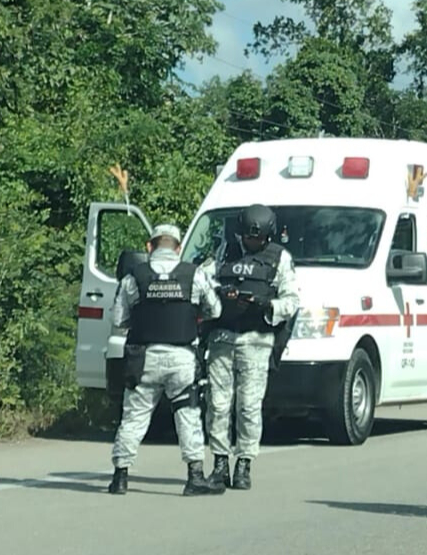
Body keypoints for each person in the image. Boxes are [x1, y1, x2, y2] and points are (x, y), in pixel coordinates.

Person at [107, 224, 224, 497]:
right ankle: (195, 476)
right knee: (188, 415)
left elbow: (119, 319)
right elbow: (215, 310)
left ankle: (120, 477)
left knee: (133, 417)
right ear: (179, 248)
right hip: (182, 358)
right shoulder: (194, 275)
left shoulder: (133, 277)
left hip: (143, 358)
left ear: (150, 246)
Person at [202, 204, 300, 491]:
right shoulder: (223, 252)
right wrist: (221, 294)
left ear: (268, 236)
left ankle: (244, 463)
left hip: (256, 339)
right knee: (218, 404)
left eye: (256, 238)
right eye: (247, 237)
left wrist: (266, 305)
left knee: (248, 406)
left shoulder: (280, 258)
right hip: (223, 337)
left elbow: (292, 300)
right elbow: (203, 281)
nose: (250, 242)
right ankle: (220, 463)